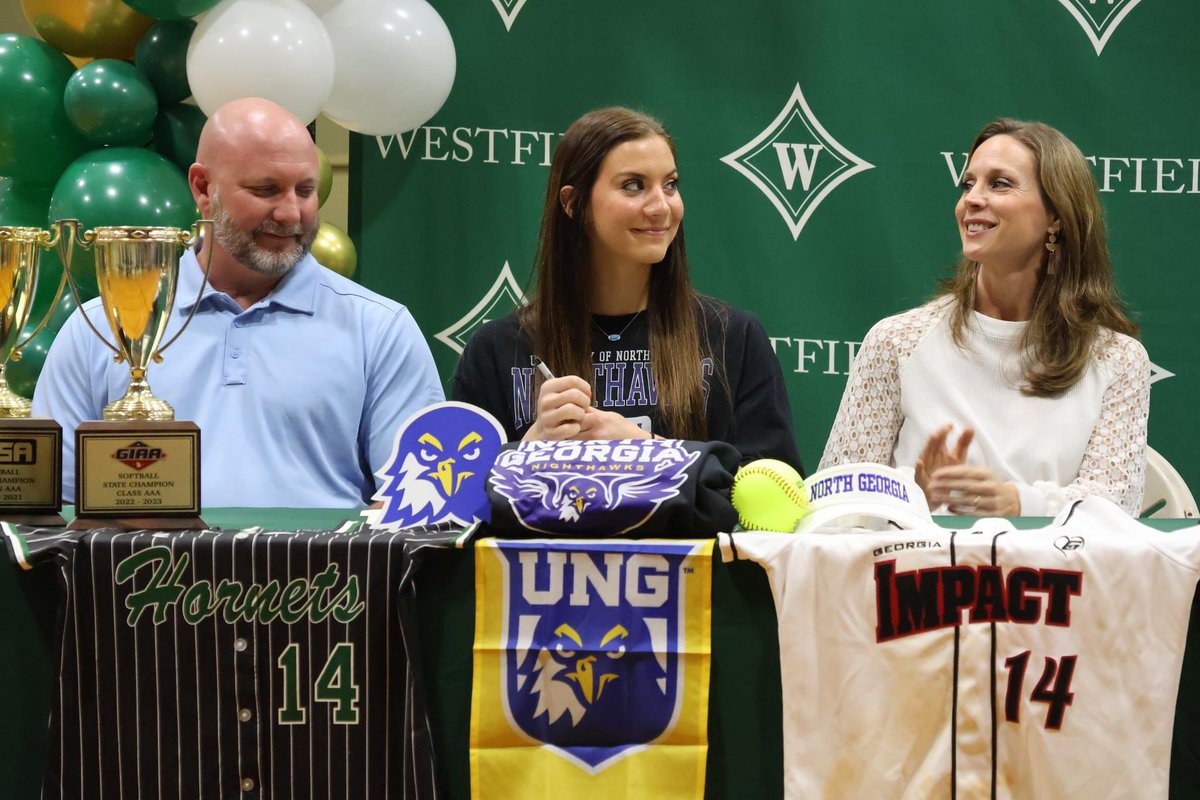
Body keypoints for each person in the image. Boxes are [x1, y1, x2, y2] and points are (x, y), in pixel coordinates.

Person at [33, 97, 444, 508]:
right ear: (202, 188)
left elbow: (416, 503)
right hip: (145, 572)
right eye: (265, 189)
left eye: (305, 190)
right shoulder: (99, 329)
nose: (290, 213)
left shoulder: (380, 328)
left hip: (326, 574)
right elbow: (55, 506)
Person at [820, 118, 1149, 517]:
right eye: (968, 184)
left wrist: (1018, 503)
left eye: (1000, 183)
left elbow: (1116, 508)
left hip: (1053, 575)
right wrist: (912, 494)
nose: (972, 199)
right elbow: (834, 499)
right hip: (919, 572)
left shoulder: (1117, 359)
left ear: (1056, 216)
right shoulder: (896, 341)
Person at [452, 106, 803, 471]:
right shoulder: (496, 350)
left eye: (670, 185)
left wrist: (644, 448)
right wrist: (530, 449)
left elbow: (776, 494)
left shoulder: (734, 337)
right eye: (633, 186)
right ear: (573, 203)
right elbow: (459, 508)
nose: (661, 207)